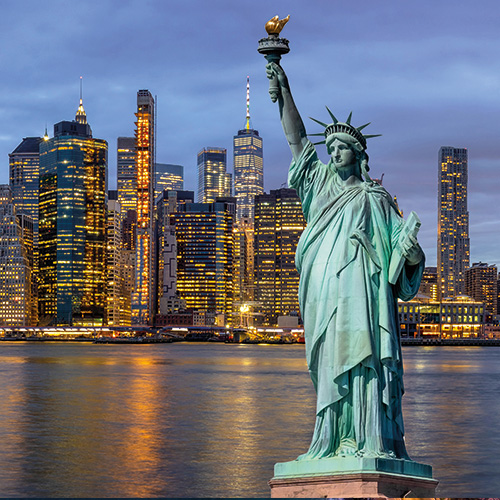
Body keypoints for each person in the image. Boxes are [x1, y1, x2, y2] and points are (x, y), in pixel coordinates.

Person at [266, 61, 425, 460]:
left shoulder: (377, 199)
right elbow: (297, 139)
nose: (334, 153)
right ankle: (332, 439)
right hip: (325, 290)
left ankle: (369, 439)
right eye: (331, 148)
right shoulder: (318, 184)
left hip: (365, 294)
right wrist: (283, 89)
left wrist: (413, 253)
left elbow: (401, 261)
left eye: (342, 148)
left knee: (366, 358)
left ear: (358, 155)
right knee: (331, 361)